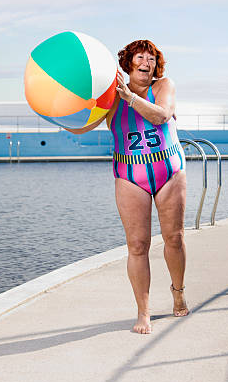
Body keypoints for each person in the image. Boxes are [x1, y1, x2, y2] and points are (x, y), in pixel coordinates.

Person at [68, 39, 188, 334]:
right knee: (137, 245)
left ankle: (178, 292)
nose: (146, 61)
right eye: (140, 56)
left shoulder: (163, 87)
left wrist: (130, 97)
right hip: (129, 174)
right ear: (129, 62)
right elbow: (81, 126)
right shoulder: (111, 97)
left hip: (169, 170)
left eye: (151, 57)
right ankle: (143, 313)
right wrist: (59, 108)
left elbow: (161, 115)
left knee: (173, 238)